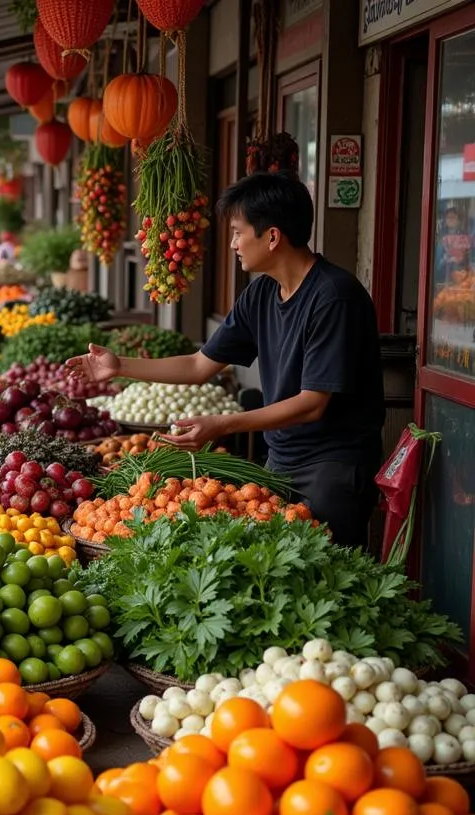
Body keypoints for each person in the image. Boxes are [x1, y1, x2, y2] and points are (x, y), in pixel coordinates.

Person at [67, 172, 386, 548]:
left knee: (329, 582)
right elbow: (200, 365)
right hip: (280, 461)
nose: (233, 244)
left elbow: (312, 404)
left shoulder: (334, 297)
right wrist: (120, 366)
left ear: (272, 236)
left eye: (237, 232)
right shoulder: (262, 293)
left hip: (333, 468)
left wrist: (224, 424)